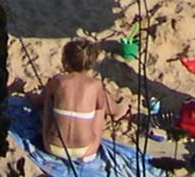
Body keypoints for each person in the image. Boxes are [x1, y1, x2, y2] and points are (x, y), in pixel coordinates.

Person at [21, 40, 139, 168]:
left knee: (49, 99)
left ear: (65, 61)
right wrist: (121, 108)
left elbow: (39, 102)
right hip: (86, 151)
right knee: (101, 105)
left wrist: (29, 93)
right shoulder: (95, 85)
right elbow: (112, 109)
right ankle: (118, 114)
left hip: (52, 146)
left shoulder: (58, 81)